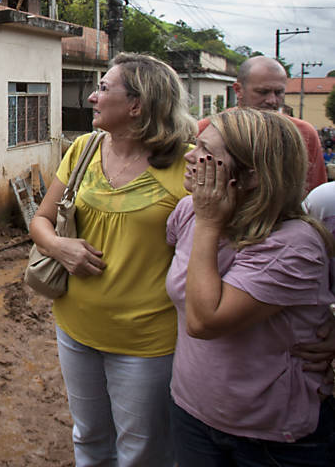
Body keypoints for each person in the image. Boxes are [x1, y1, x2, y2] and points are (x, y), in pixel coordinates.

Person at [29, 53, 195, 466]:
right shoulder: (83, 149)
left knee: (142, 451)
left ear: (137, 105)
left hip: (146, 342)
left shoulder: (187, 164)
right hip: (75, 329)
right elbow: (41, 221)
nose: (91, 97)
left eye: (103, 88)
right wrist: (58, 247)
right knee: (88, 437)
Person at [165, 108, 335, 465]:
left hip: (270, 436)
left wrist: (209, 224)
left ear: (252, 176)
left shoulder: (294, 245)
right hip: (193, 411)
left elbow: (204, 321)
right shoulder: (188, 212)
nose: (189, 156)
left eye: (205, 152)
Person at [197, 55, 326, 193]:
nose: (272, 100)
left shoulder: (303, 133)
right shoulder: (209, 130)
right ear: (238, 90)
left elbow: (316, 194)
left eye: (279, 92)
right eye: (262, 92)